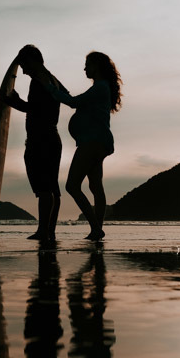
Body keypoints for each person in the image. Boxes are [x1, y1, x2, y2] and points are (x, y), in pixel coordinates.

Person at [43, 51, 122, 241]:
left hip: (93, 142)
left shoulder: (100, 88)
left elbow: (72, 102)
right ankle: (97, 230)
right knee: (95, 186)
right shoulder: (99, 88)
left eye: (88, 64)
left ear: (97, 66)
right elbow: (77, 100)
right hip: (98, 142)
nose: (85, 68)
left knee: (72, 186)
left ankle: (96, 228)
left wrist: (51, 90)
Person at [0, 45, 65, 242]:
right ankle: (49, 230)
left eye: (24, 64)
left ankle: (43, 231)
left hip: (40, 139)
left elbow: (33, 109)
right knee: (53, 189)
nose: (23, 70)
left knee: (44, 188)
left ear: (33, 61)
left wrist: (8, 100)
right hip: (53, 138)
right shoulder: (52, 79)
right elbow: (61, 96)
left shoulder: (38, 81)